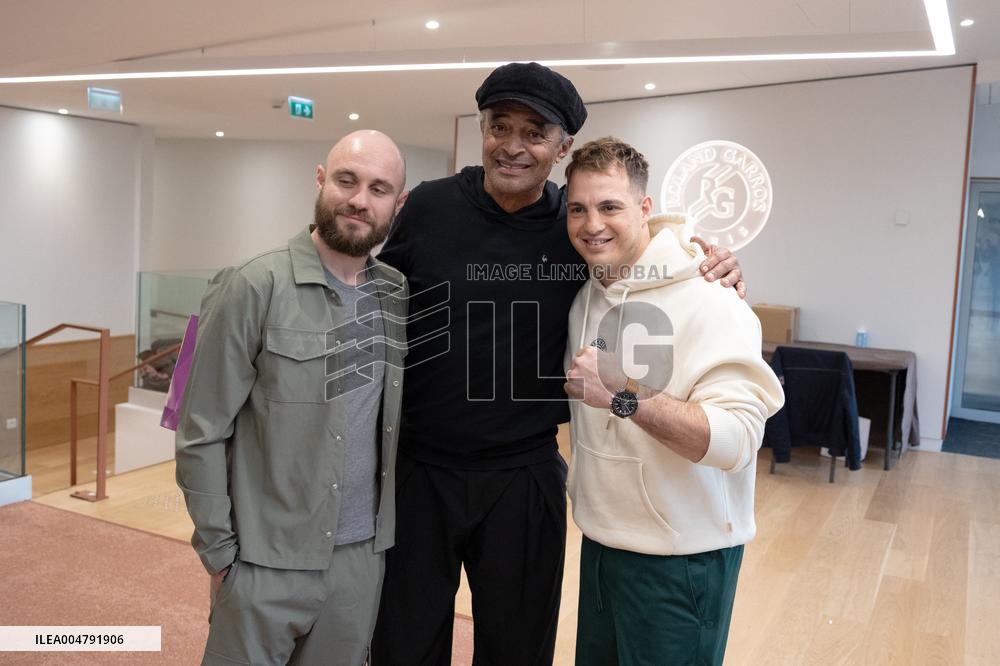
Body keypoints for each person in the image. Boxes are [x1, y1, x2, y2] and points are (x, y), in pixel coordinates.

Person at [371, 63, 747, 665]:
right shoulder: (430, 209)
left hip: (524, 477)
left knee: (518, 648)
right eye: (500, 127)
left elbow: (644, 248)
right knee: (402, 643)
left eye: (534, 132)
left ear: (560, 146)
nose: (513, 146)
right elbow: (371, 295)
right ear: (482, 129)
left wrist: (713, 260)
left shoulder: (574, 228)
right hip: (421, 471)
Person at [175, 130, 410, 665]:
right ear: (321, 180)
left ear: (398, 205)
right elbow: (201, 431)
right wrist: (219, 554)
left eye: (378, 189)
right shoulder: (252, 284)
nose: (358, 200)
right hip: (263, 560)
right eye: (347, 181)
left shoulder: (395, 293)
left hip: (358, 560)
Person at [562, 137, 784, 665]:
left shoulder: (711, 295)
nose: (592, 224)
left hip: (683, 560)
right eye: (578, 209)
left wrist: (622, 394)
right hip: (600, 543)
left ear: (645, 208)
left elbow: (737, 440)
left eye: (610, 206)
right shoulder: (586, 289)